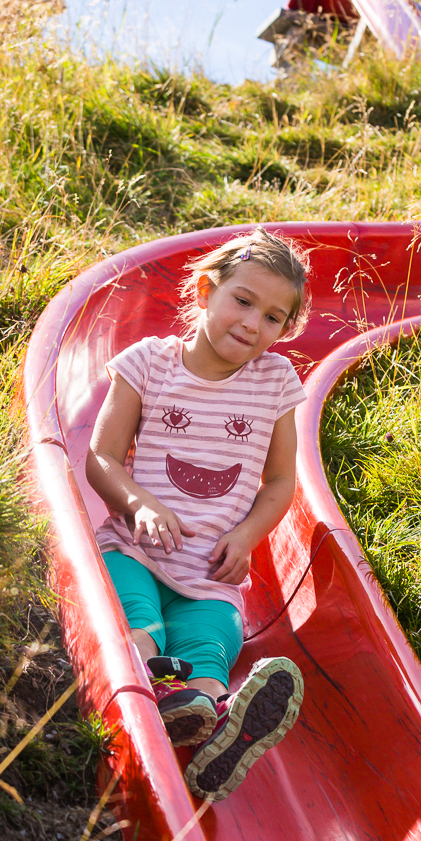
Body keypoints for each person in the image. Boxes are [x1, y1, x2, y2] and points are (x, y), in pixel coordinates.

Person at [85, 229, 310, 804]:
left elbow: (281, 479)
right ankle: (168, 689)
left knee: (212, 644)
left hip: (212, 571)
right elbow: (102, 457)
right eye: (243, 301)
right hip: (136, 550)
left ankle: (212, 721)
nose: (254, 324)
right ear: (207, 290)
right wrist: (139, 503)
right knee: (140, 619)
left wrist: (248, 534)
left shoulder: (276, 381)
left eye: (274, 317)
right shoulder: (149, 365)